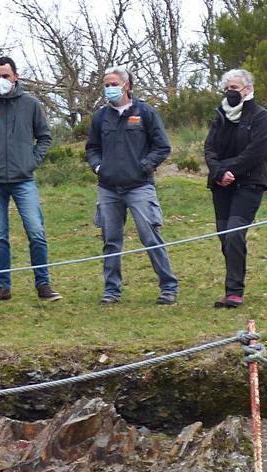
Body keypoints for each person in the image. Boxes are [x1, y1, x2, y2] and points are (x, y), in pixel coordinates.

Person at [0, 56, 62, 305]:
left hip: (24, 179)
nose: (1, 80)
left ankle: (43, 284)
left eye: (5, 75)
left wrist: (31, 161)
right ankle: (3, 286)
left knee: (36, 231)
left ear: (16, 76)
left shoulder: (31, 104)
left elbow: (44, 137)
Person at [85, 66, 178, 305]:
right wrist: (98, 167)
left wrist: (145, 165)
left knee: (150, 236)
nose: (109, 89)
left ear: (126, 85)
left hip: (139, 186)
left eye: (113, 84)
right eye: (105, 85)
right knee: (111, 240)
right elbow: (92, 148)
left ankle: (168, 287)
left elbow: (162, 146)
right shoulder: (100, 117)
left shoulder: (145, 112)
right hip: (108, 188)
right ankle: (111, 290)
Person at [203, 69, 267, 309]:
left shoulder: (260, 116)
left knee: (235, 233)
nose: (231, 93)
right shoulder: (220, 115)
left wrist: (231, 170)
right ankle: (230, 288)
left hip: (249, 183)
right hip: (221, 185)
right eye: (228, 88)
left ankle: (235, 291)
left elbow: (257, 150)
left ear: (248, 89)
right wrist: (219, 172)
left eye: (235, 88)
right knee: (224, 235)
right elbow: (209, 148)